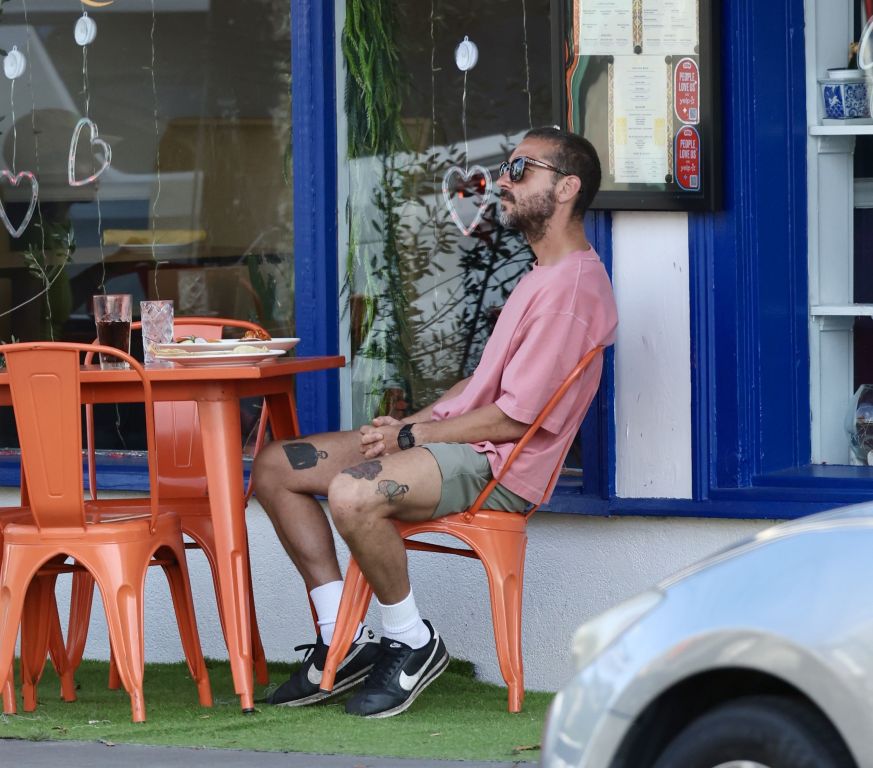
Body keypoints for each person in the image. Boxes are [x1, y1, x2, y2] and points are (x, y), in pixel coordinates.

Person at [251, 126, 618, 718]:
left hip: (500, 467)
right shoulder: (542, 274)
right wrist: (399, 426)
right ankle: (346, 642)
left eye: (521, 170)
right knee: (274, 466)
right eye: (507, 166)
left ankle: (413, 641)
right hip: (463, 444)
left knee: (351, 494)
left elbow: (508, 421)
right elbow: (478, 388)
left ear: (567, 187)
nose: (502, 179)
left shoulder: (570, 291)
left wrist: (411, 435)